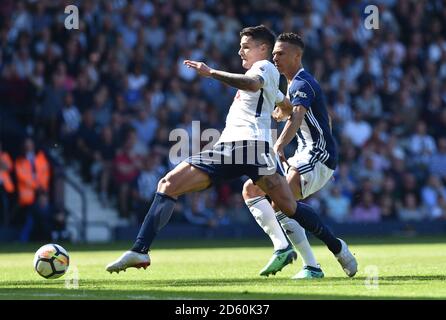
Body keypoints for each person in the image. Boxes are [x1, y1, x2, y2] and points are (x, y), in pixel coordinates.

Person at [106, 25, 356, 278]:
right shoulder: (272, 77)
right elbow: (284, 102)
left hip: (244, 146)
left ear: (263, 49)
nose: (240, 51)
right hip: (244, 149)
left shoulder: (263, 68)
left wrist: (211, 72)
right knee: (286, 206)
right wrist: (282, 107)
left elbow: (251, 83)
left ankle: (141, 248)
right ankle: (335, 249)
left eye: (246, 47)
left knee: (170, 184)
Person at [242, 32, 357, 278]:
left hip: (316, 154)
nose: (275, 58)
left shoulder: (302, 83)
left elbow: (297, 118)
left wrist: (279, 145)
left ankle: (330, 253)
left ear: (297, 55)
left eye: (281, 53)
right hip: (308, 153)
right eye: (273, 54)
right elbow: (325, 117)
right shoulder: (295, 85)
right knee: (252, 191)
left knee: (283, 201)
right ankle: (306, 260)